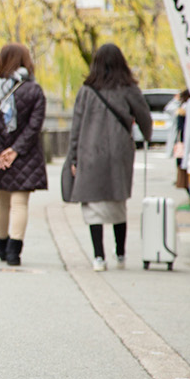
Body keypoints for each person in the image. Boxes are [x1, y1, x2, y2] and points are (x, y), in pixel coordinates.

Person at [67, 44, 152, 271]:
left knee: (94, 205)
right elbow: (145, 116)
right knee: (117, 202)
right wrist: (147, 135)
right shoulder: (128, 88)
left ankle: (98, 257)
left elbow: (76, 127)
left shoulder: (87, 91)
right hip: (119, 152)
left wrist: (73, 158)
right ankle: (121, 254)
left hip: (90, 152)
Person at [0, 43, 47, 267]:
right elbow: (35, 125)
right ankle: (14, 251)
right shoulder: (34, 91)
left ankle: (1, 244)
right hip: (24, 155)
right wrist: (16, 150)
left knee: (2, 202)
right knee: (20, 204)